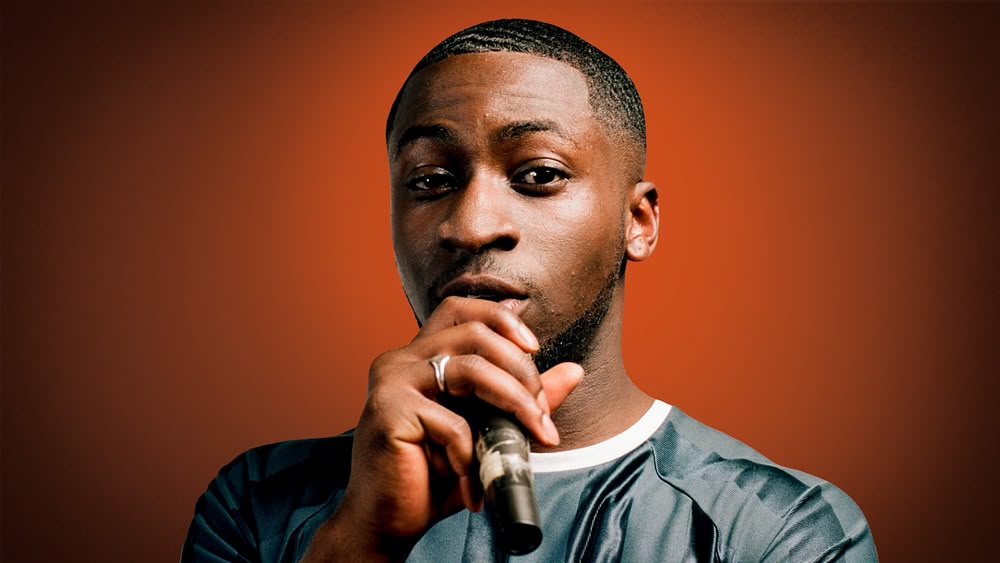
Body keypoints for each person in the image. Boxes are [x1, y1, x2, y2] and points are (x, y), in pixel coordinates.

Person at [182, 19, 877, 562]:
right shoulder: (258, 506)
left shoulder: (777, 529)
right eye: (430, 179)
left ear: (637, 222)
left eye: (539, 174)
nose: (470, 224)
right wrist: (357, 543)